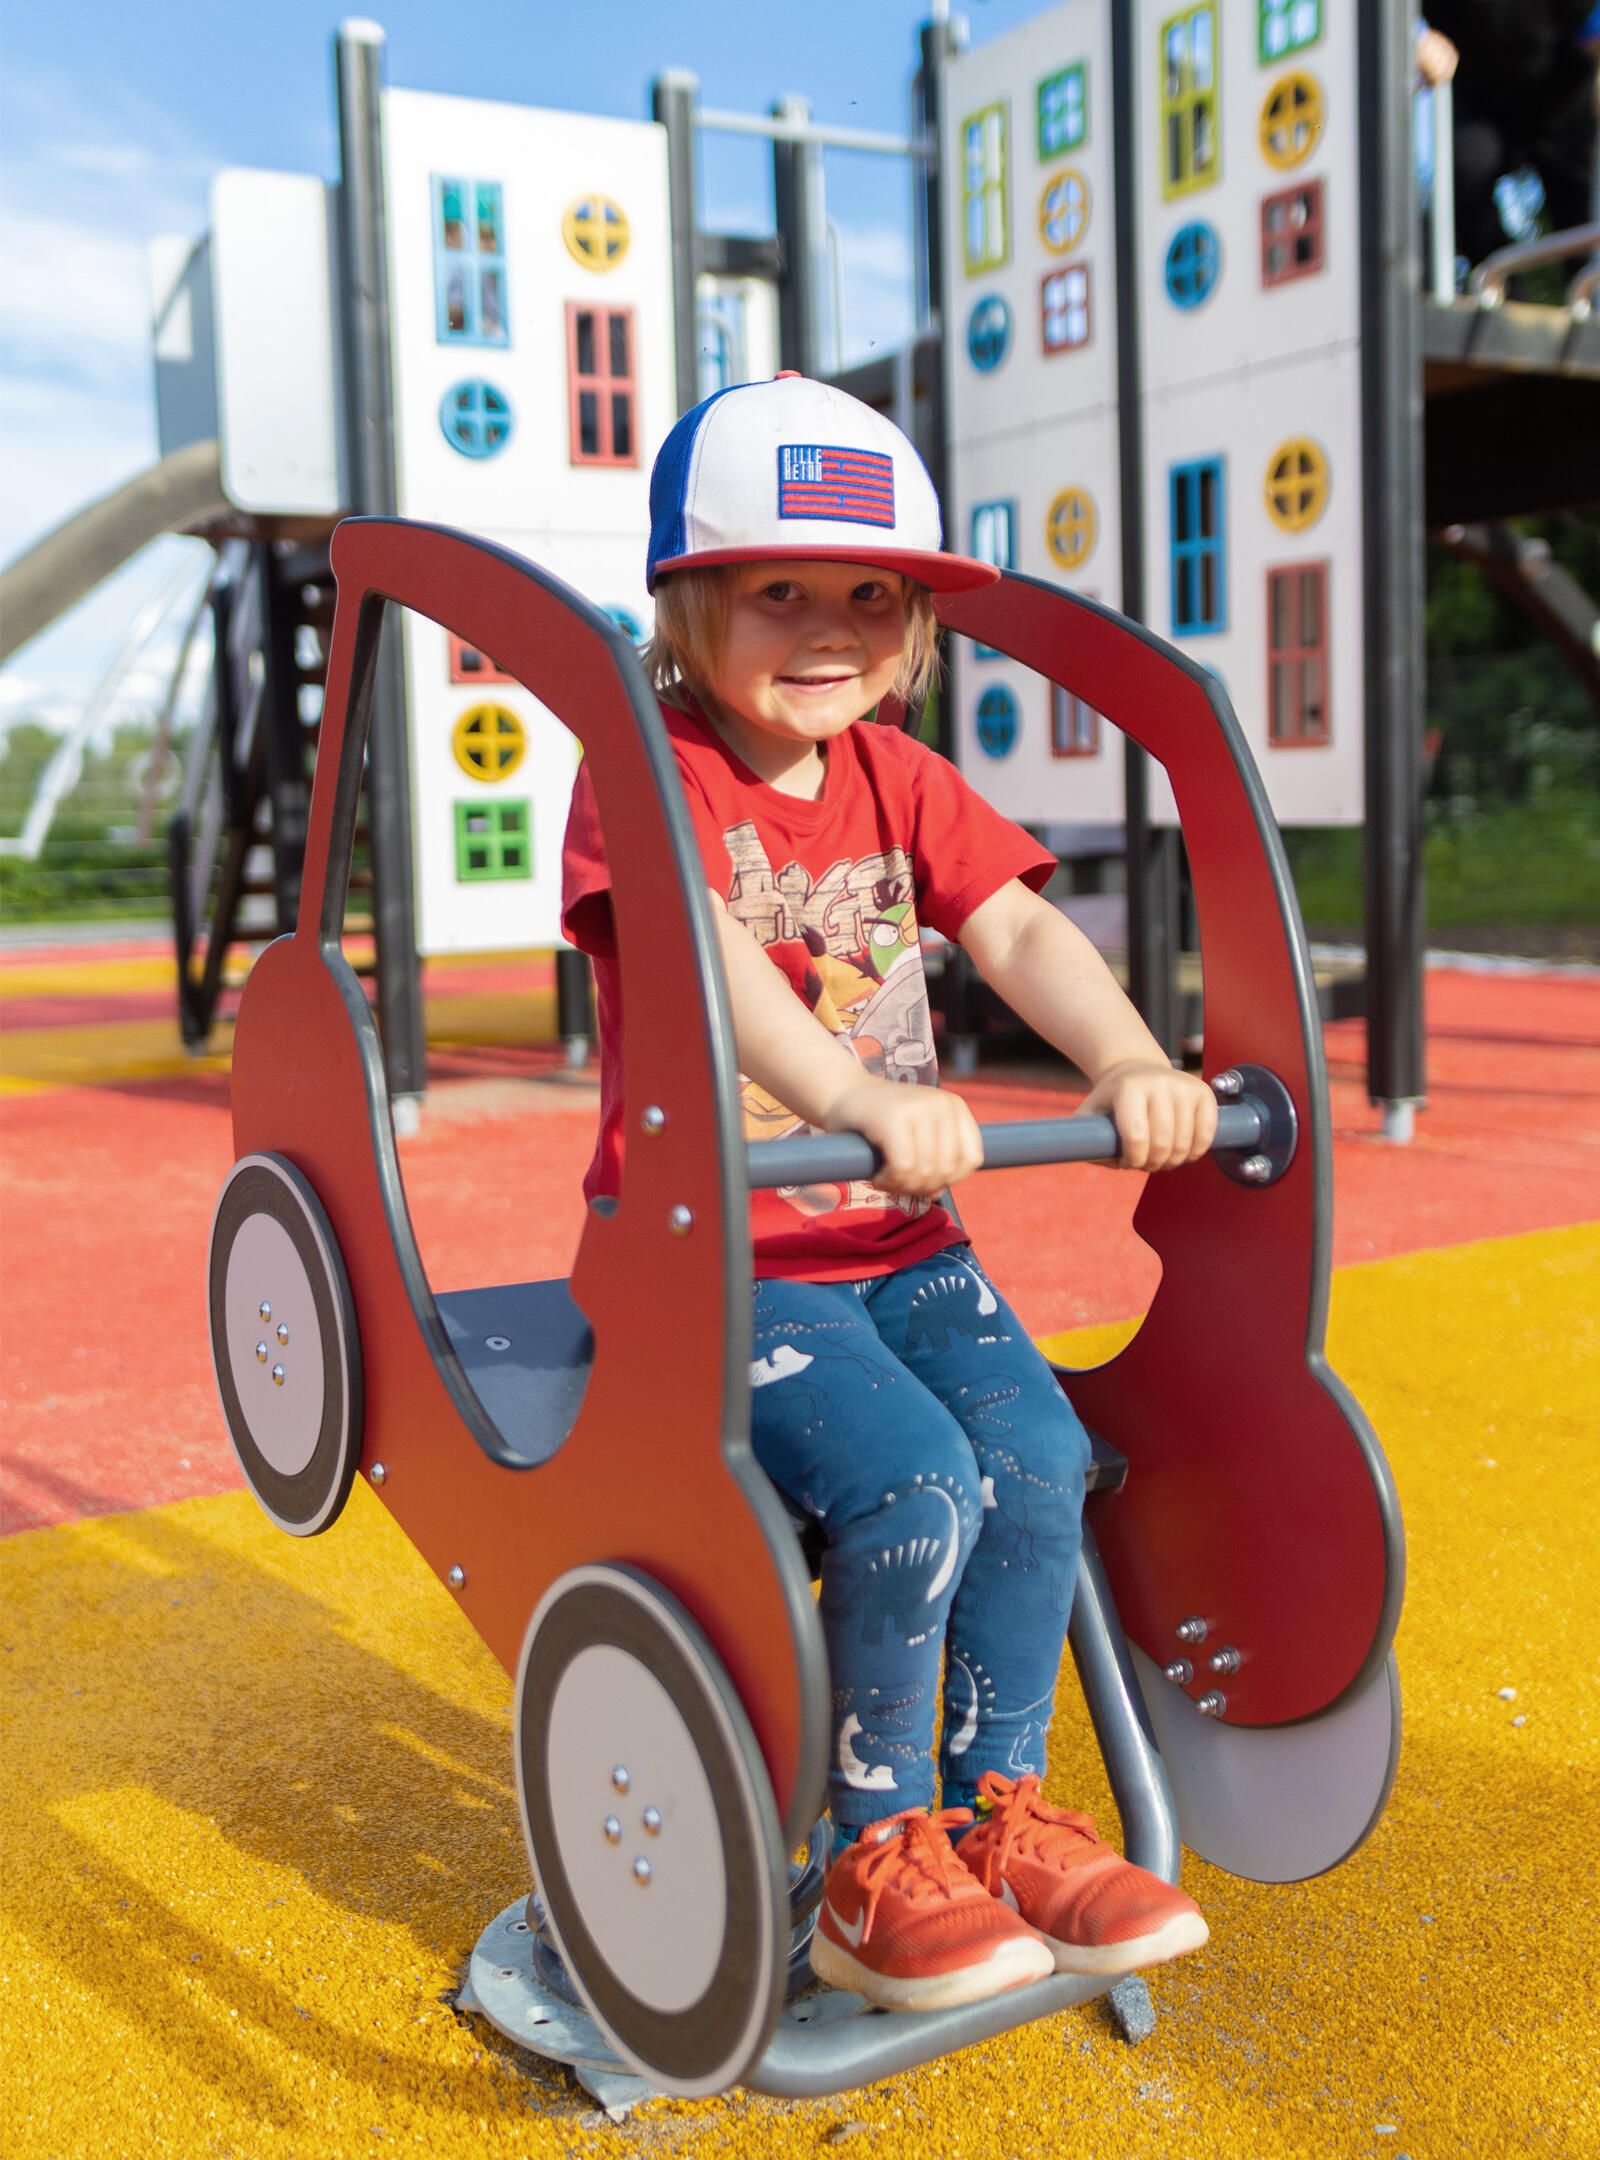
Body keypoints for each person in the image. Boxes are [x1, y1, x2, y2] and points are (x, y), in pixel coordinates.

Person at [561, 373, 1216, 2015]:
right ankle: (873, 1851)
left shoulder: (900, 778)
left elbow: (1017, 932)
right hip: (728, 1257)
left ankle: (998, 1819)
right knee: (914, 1483)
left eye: (872, 594)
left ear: (917, 621)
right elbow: (714, 970)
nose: (829, 627)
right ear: (690, 602)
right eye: (778, 589)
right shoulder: (648, 774)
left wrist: (1130, 1061)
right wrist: (852, 1096)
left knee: (1040, 1460)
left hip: (900, 1239)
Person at [1418, 4, 1599, 274]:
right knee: (1462, 175)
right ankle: (1503, 297)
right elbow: (1393, 17)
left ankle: (1590, 306)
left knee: (1585, 223)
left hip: (1564, 99)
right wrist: (1419, 41)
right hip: (1482, 100)